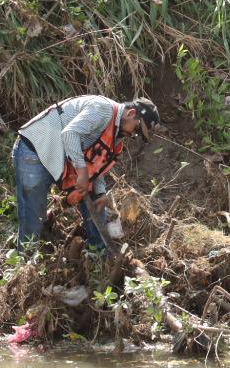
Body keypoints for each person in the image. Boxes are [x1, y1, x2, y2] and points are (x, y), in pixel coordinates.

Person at [12, 95, 160, 251]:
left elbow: (96, 163)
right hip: (36, 149)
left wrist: (101, 192)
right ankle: (26, 259)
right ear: (131, 113)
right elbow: (69, 134)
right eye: (137, 129)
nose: (133, 135)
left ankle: (98, 254)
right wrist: (82, 172)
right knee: (33, 215)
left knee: (97, 200)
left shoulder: (117, 133)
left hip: (60, 157)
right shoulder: (103, 110)